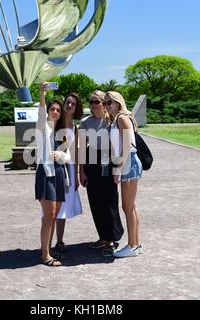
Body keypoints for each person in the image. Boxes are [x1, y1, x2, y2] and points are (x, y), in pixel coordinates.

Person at [79, 90, 124, 256]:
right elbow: (82, 148)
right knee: (95, 202)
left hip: (108, 161)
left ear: (104, 103)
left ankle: (112, 238)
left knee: (110, 201)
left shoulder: (112, 119)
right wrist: (81, 171)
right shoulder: (85, 122)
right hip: (91, 162)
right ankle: (103, 237)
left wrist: (118, 168)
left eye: (97, 101)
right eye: (91, 102)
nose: (94, 105)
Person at [35, 83, 70, 267]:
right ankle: (45, 255)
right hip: (46, 173)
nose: (55, 111)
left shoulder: (61, 133)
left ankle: (46, 249)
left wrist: (61, 155)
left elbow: (68, 156)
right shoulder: (43, 128)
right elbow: (41, 114)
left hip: (58, 174)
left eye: (58, 109)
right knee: (49, 215)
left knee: (53, 215)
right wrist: (42, 93)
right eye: (52, 109)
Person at [105, 91, 143, 258]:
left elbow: (127, 144)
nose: (106, 106)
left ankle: (132, 245)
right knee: (131, 206)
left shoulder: (121, 118)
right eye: (105, 103)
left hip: (128, 162)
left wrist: (119, 168)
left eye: (109, 102)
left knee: (128, 206)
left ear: (118, 103)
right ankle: (135, 244)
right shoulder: (120, 117)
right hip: (129, 162)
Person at [53, 93, 84, 254]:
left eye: (73, 103)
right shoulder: (55, 122)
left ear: (76, 108)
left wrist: (78, 174)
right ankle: (47, 244)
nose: (69, 105)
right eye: (68, 102)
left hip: (70, 169)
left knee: (63, 205)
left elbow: (76, 152)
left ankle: (59, 241)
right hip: (55, 168)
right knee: (53, 204)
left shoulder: (75, 127)